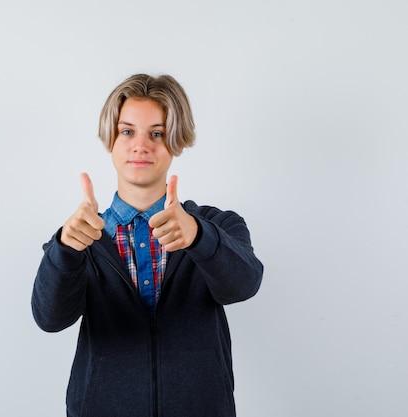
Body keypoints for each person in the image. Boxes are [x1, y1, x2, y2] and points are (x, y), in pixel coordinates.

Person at [31, 73, 263, 417]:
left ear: (176, 141)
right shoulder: (79, 235)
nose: (141, 145)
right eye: (127, 131)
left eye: (156, 133)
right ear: (111, 139)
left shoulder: (219, 226)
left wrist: (199, 236)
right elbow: (49, 318)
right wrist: (65, 250)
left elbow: (244, 284)